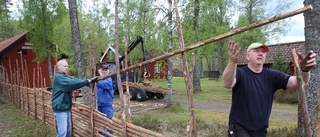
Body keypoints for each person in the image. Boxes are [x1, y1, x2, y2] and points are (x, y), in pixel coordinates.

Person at [222, 42, 316, 137]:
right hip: (240, 128)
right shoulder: (240, 73)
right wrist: (233, 61)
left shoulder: (272, 76)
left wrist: (304, 70)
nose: (260, 53)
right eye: (256, 51)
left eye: (263, 51)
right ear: (247, 56)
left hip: (261, 130)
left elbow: (298, 83)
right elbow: (227, 83)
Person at [52, 59, 98, 137]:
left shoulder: (64, 76)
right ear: (59, 67)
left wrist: (86, 81)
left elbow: (75, 80)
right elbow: (72, 83)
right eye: (64, 66)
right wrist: (87, 81)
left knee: (68, 130)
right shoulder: (59, 77)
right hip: (60, 108)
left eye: (67, 66)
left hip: (65, 107)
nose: (66, 68)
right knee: (62, 132)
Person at [96, 64, 114, 137]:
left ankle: (108, 136)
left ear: (108, 71)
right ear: (100, 70)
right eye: (103, 69)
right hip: (99, 104)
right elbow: (90, 83)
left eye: (106, 69)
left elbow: (105, 85)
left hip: (107, 105)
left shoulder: (108, 79)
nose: (104, 71)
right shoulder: (98, 78)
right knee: (100, 122)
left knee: (108, 122)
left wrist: (96, 81)